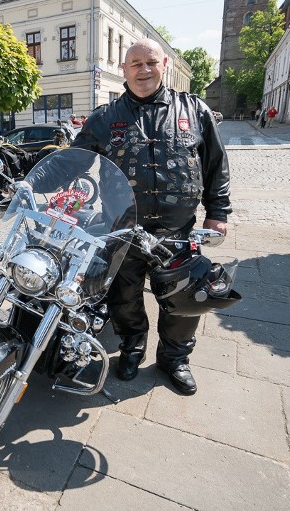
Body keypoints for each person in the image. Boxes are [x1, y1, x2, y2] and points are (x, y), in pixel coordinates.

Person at [72, 39, 232, 395]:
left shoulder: (194, 110)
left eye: (150, 63)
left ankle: (174, 359)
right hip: (124, 229)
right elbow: (74, 162)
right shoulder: (104, 117)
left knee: (183, 298)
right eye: (135, 64)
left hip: (178, 231)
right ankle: (131, 348)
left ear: (164, 65)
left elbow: (216, 164)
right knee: (123, 297)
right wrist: (44, 185)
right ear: (124, 70)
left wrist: (218, 212)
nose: (143, 70)